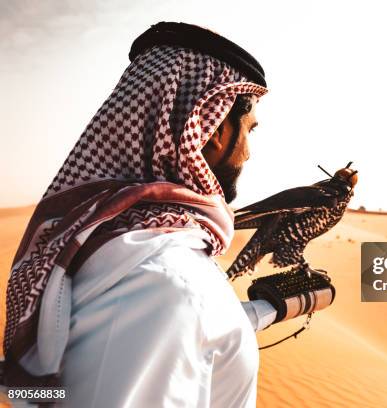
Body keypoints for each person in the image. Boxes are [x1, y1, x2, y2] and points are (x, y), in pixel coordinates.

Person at [2, 22, 278, 407]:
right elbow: (175, 314)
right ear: (212, 129)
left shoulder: (107, 241)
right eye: (249, 130)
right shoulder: (164, 283)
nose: (248, 152)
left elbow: (196, 334)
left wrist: (270, 309)